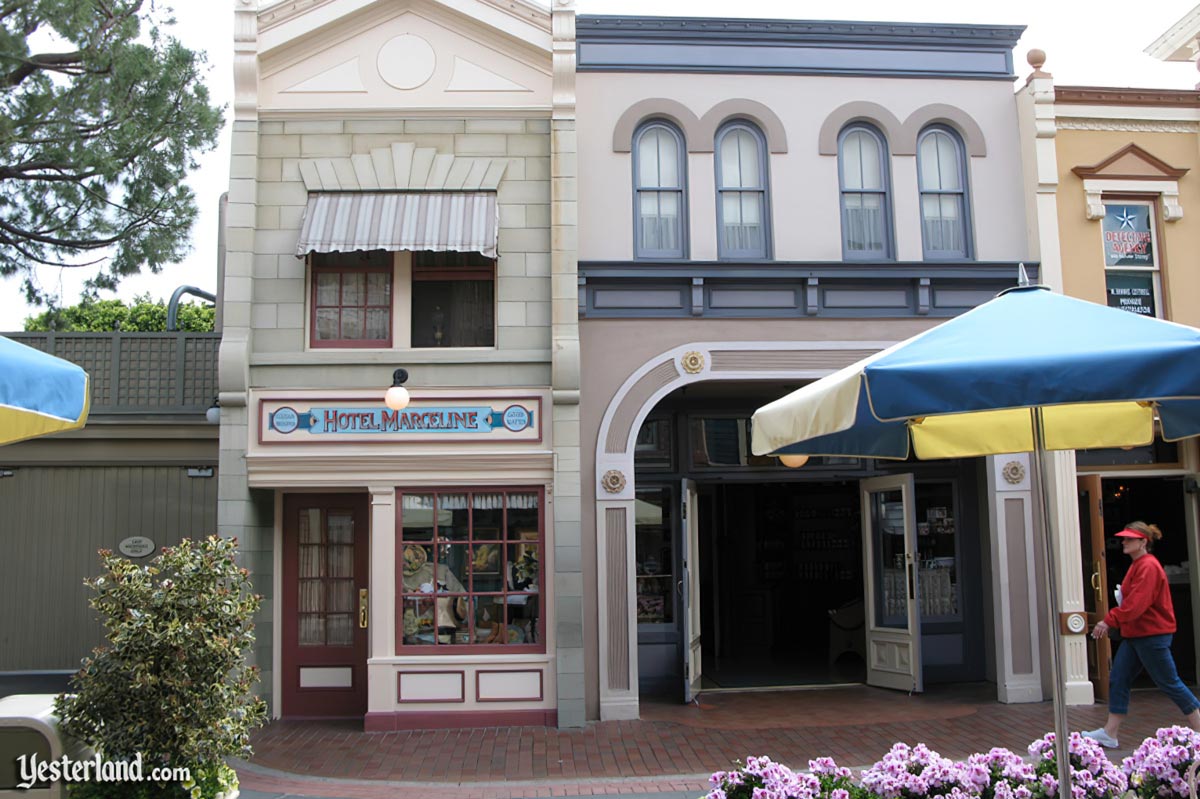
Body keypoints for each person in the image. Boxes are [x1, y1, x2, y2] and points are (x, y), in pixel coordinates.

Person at [1082, 522, 1200, 748]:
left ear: (1143, 542)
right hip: (1137, 634)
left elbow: (1136, 604)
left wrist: (1109, 620)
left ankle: (1198, 727)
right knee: (1119, 678)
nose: (1124, 542)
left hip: (1151, 635)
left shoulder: (1148, 567)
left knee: (1169, 682)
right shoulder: (1140, 565)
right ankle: (1110, 732)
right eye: (1124, 538)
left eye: (1129, 539)